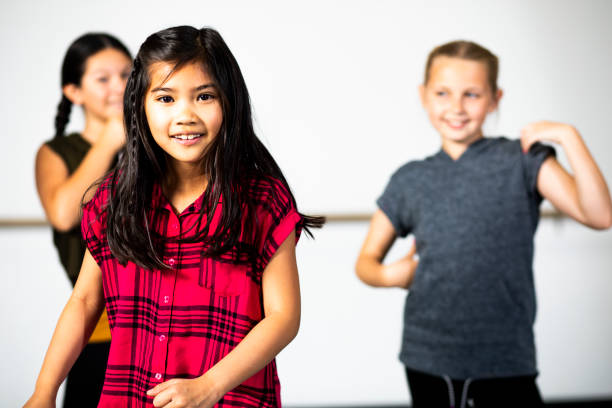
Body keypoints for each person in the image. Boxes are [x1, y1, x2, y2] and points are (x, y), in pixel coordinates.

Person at [25, 25, 323, 408]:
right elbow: (83, 301)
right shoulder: (114, 200)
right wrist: (44, 390)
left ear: (230, 102)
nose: (185, 115)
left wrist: (210, 385)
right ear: (139, 107)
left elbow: (283, 317)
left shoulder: (262, 201)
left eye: (204, 96)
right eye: (165, 98)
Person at [355, 40, 612, 408]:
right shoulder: (409, 180)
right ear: (424, 96)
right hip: (427, 356)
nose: (456, 107)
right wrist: (390, 276)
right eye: (443, 93)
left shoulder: (522, 160)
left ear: (495, 98)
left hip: (505, 357)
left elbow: (600, 214)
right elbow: (365, 263)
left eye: (472, 94)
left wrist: (570, 138)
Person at [34, 33, 131, 407]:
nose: (119, 87)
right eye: (103, 78)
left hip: (162, 326)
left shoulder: (159, 144)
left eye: (126, 75)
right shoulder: (57, 152)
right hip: (98, 331)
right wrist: (108, 141)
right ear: (74, 91)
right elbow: (62, 214)